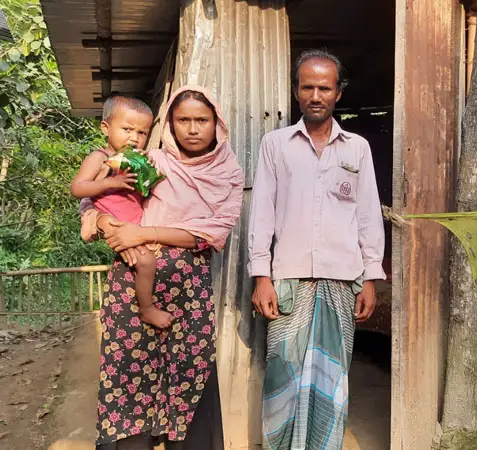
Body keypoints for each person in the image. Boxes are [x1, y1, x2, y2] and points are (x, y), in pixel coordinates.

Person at [82, 85, 244, 450]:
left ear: (216, 123)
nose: (192, 128)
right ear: (169, 123)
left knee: (191, 373)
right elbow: (96, 196)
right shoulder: (150, 162)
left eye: (201, 120)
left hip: (189, 294)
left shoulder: (229, 173)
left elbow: (212, 234)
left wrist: (144, 232)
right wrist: (104, 223)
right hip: (133, 287)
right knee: (129, 379)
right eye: (182, 119)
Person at [248, 49, 386, 449]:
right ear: (296, 91)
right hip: (287, 280)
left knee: (332, 377)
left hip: (342, 283)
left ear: (338, 93)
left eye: (324, 87)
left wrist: (370, 279)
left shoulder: (357, 148)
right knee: (282, 373)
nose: (315, 95)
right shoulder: (276, 144)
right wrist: (262, 277)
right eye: (307, 86)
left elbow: (367, 216)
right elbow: (262, 214)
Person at [71, 95, 174, 329]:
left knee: (151, 261)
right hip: (117, 226)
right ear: (105, 127)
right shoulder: (101, 158)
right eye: (127, 129)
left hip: (137, 227)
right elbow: (77, 188)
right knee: (146, 262)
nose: (134, 138)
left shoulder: (136, 160)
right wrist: (109, 183)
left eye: (142, 133)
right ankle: (147, 310)